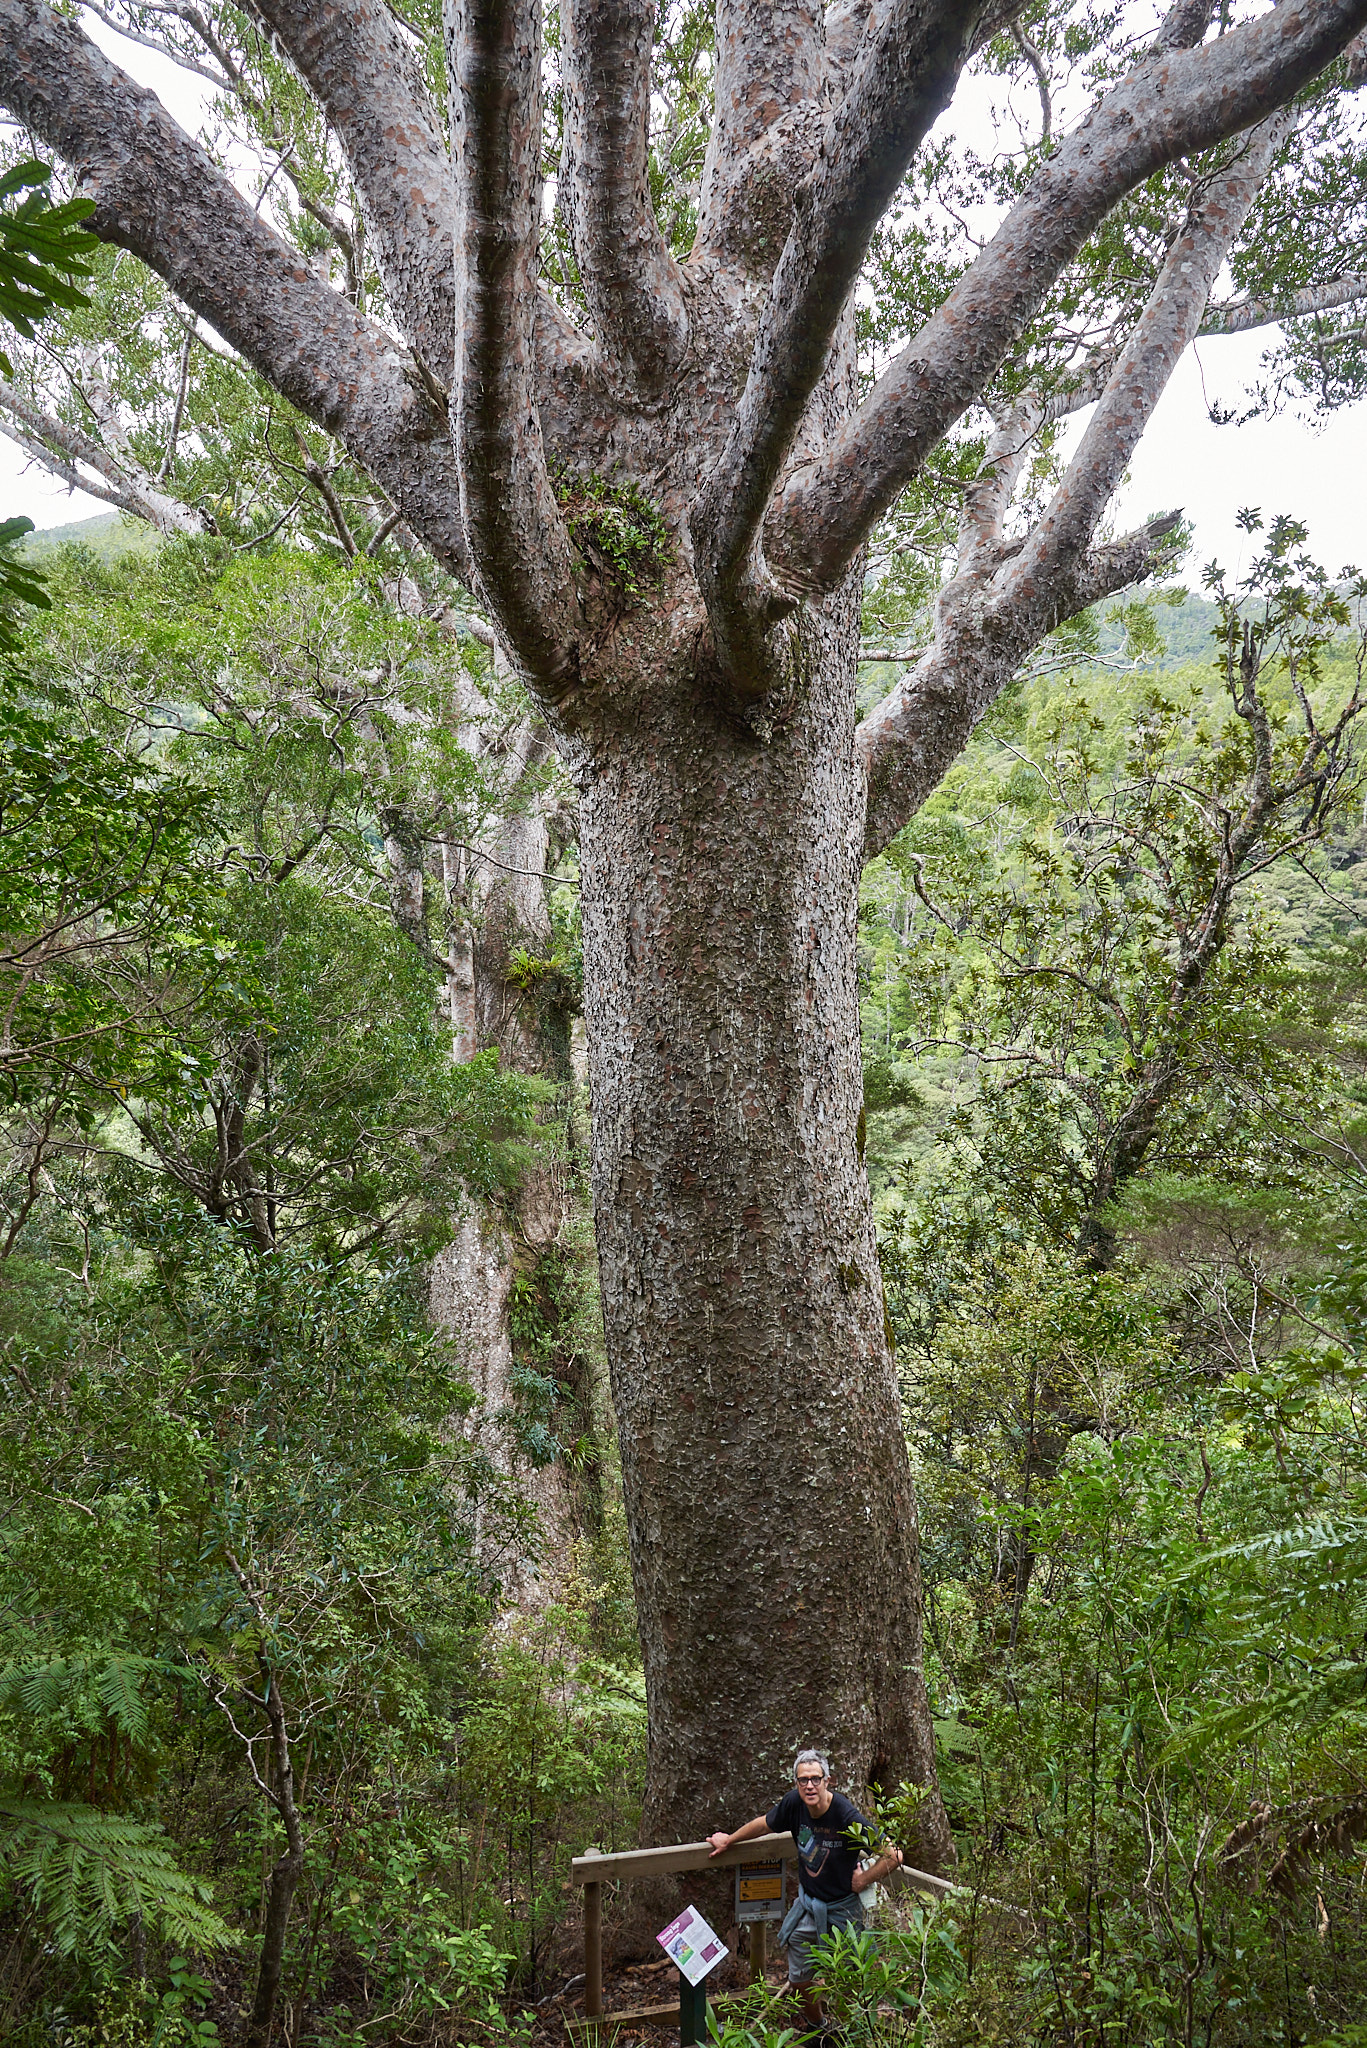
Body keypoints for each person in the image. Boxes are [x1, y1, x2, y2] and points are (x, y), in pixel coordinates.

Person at [707, 1748, 904, 2039]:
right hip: (809, 1905)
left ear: (827, 1781)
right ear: (796, 1783)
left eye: (815, 1779)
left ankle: (856, 2035)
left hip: (844, 1909)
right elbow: (764, 1823)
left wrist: (862, 1880)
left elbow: (893, 1855)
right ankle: (819, 2027)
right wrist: (730, 1840)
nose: (809, 1785)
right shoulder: (794, 1804)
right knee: (799, 1978)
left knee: (851, 1978)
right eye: (803, 1780)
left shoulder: (844, 1814)